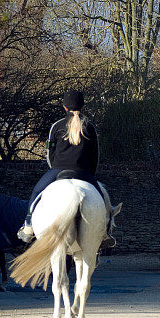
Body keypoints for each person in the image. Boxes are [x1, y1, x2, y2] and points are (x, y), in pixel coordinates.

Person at [17, 88, 105, 243]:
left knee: (36, 192)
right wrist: (90, 174)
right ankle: (104, 232)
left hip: (58, 171)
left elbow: (49, 154)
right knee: (102, 199)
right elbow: (95, 156)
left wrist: (54, 168)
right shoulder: (90, 127)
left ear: (64, 107)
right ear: (82, 106)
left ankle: (28, 226)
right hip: (83, 172)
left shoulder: (56, 126)